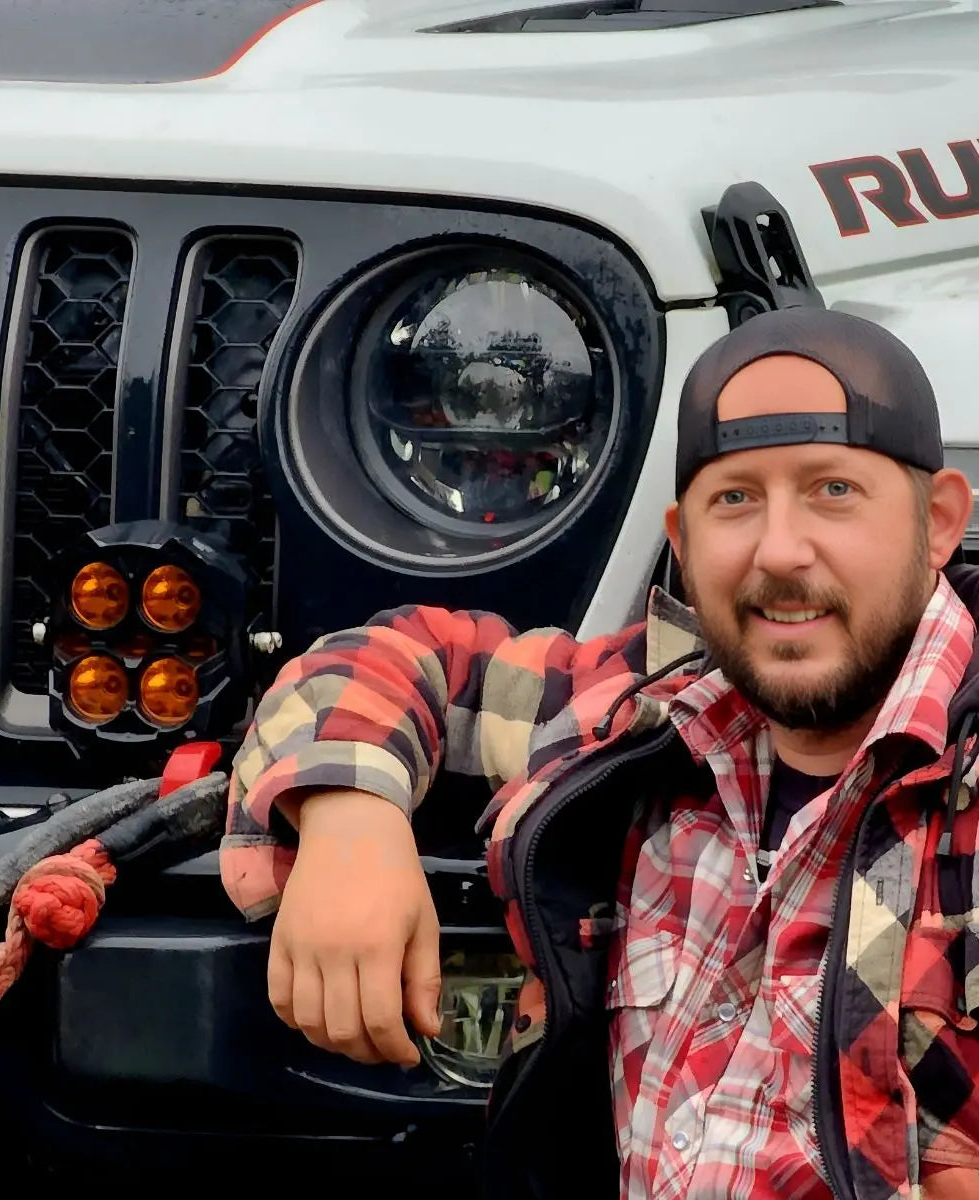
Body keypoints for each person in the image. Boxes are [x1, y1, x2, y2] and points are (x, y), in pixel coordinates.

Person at [219, 306, 979, 1200]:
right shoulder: (637, 714)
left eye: (833, 491)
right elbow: (392, 660)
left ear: (937, 523)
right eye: (735, 500)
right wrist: (350, 824)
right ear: (685, 546)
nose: (780, 551)